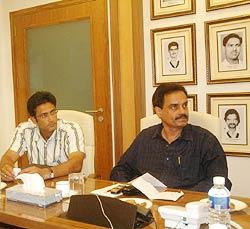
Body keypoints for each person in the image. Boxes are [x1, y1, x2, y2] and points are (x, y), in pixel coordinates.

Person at [110, 83, 232, 192]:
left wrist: (182, 197)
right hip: (147, 206)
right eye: (174, 107)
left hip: (187, 209)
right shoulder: (145, 137)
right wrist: (132, 189)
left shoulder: (206, 140)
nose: (182, 112)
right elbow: (120, 170)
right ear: (159, 111)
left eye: (184, 105)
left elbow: (220, 181)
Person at [0, 91, 85, 181]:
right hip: (37, 186)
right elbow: (9, 157)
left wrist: (48, 172)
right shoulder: (25, 130)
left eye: (53, 112)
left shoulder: (70, 129)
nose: (51, 119)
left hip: (65, 184)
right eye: (44, 115)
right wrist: (6, 168)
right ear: (33, 119)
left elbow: (76, 163)